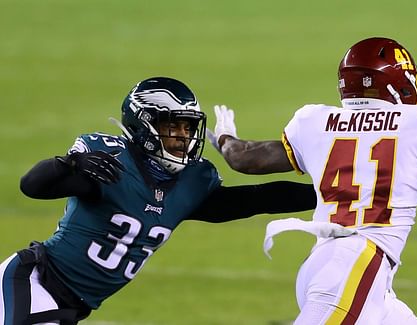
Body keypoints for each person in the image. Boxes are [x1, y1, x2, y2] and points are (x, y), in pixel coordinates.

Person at [208, 37, 417, 324]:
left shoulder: (316, 122)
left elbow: (244, 159)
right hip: (355, 266)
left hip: (337, 267)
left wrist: (226, 137)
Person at [0, 77, 318, 325]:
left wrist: (332, 189)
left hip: (70, 303)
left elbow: (254, 200)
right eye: (172, 127)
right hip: (36, 280)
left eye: (188, 126)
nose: (183, 136)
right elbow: (32, 186)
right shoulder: (114, 163)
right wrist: (67, 164)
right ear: (143, 126)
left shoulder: (191, 183)